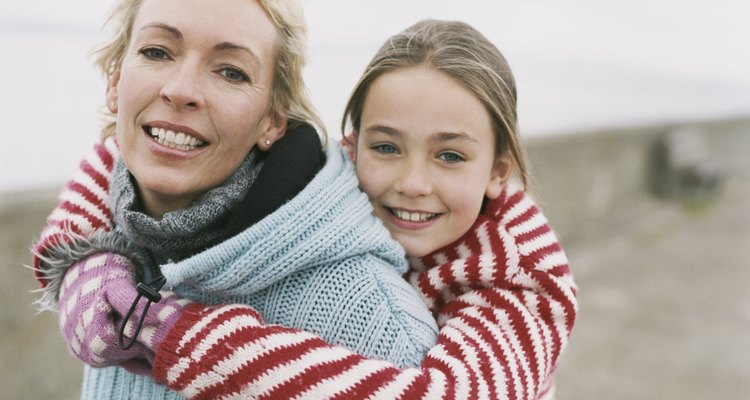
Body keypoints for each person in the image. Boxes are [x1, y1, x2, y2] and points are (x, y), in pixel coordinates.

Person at [34, 18, 578, 400]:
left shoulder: (522, 281)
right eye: (386, 147)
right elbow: (113, 156)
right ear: (352, 145)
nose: (412, 183)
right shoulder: (337, 178)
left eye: (451, 155)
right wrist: (85, 262)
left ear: (499, 171)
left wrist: (169, 332)